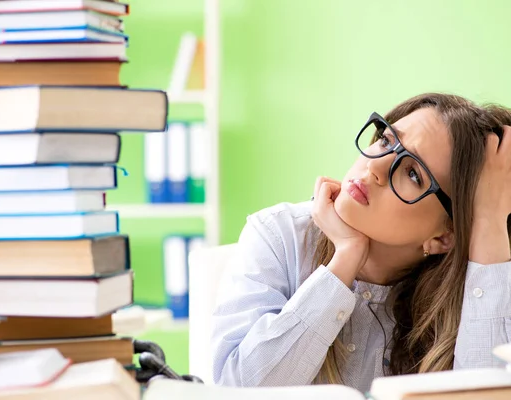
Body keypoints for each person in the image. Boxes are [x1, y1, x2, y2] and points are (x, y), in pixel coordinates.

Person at [211, 93, 511, 391]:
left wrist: (487, 226)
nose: (375, 168)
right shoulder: (280, 234)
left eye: (412, 174)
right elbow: (237, 392)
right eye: (387, 141)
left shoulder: (481, 285)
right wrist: (343, 261)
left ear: (444, 237)